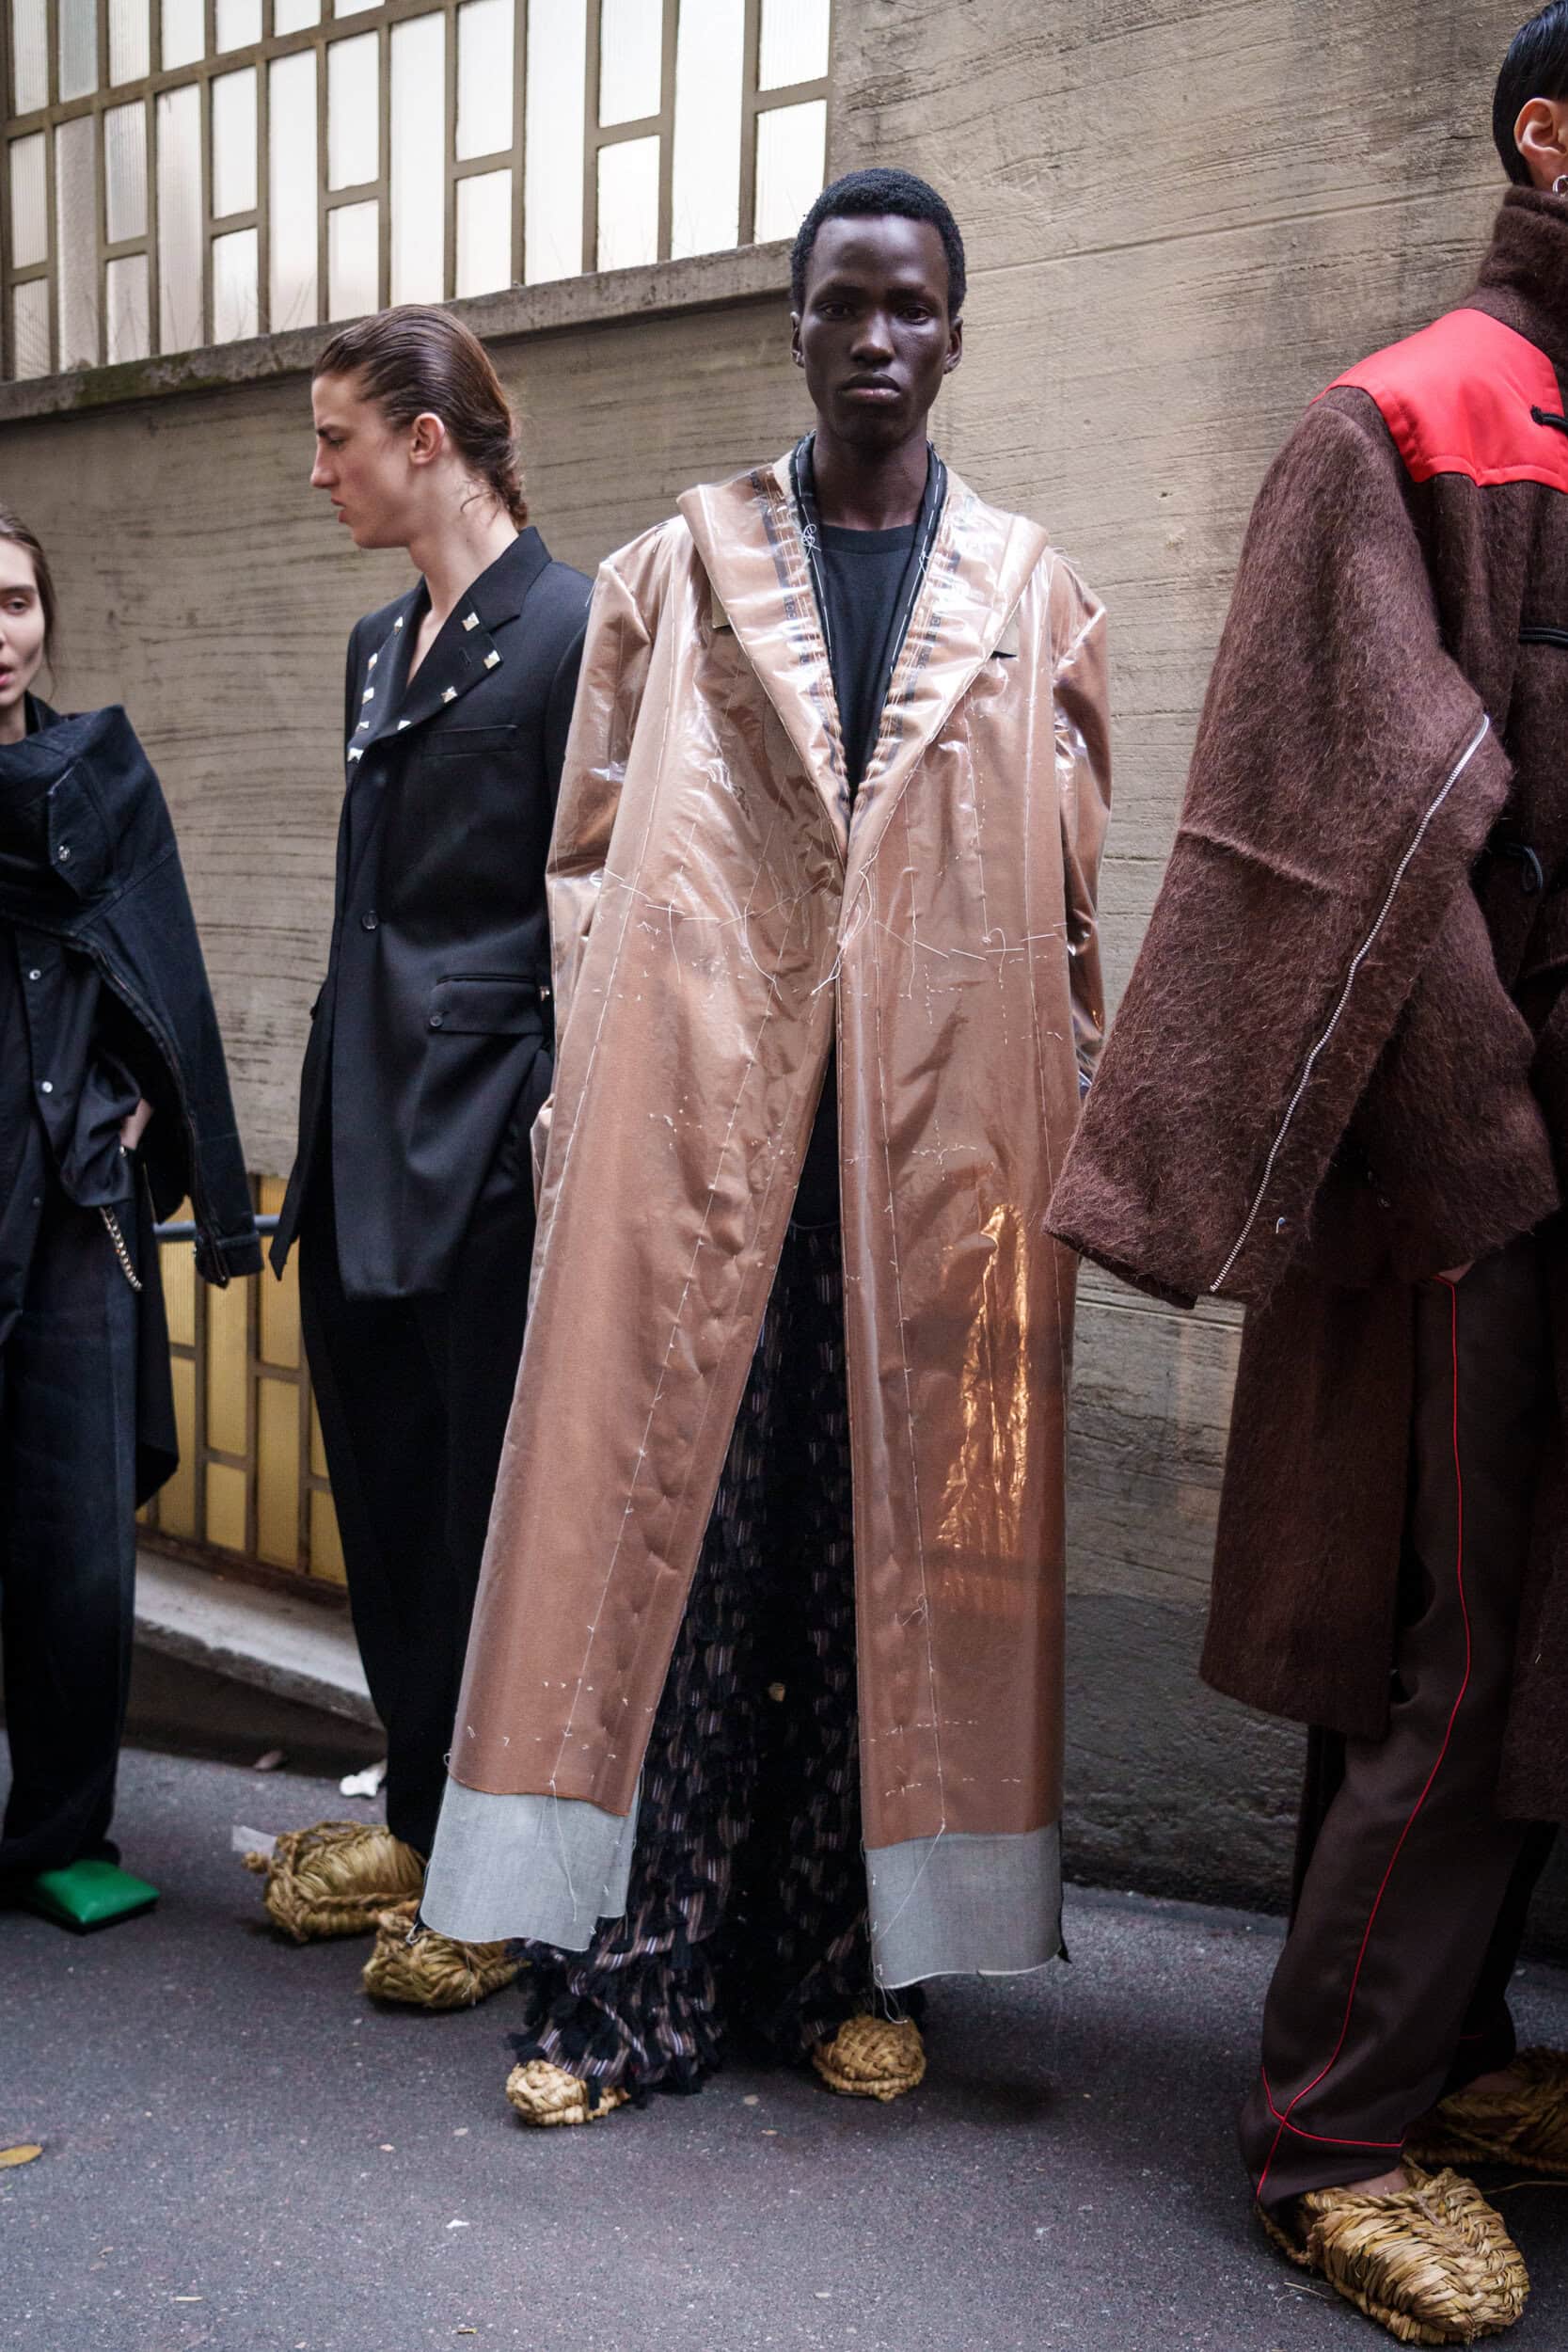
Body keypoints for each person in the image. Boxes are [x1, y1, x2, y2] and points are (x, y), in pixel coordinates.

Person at [417, 167, 1111, 2124]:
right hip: (703, 1148)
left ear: (955, 332)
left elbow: (1065, 916)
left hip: (930, 1167)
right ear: (794, 326)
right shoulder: (675, 572)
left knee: (878, 1557)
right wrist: (594, 1105)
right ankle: (622, 1989)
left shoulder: (1033, 596)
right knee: (675, 1553)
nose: (875, 340)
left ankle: (837, 1967)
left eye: (910, 308)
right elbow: (584, 874)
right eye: (840, 306)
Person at [1048, 9, 1568, 2341]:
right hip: (1499, 1165)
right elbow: (1338, 810)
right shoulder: (1415, 411)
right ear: (1549, 129)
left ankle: (1448, 2048)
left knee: (1536, 1642)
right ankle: (1332, 2129)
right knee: (1451, 1649)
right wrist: (1497, 1149)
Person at [264, 308, 592, 2004]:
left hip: (487, 1144)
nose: (318, 471)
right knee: (382, 1494)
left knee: (481, 1514)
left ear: (430, 439)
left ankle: (490, 1873)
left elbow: (587, 913)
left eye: (338, 438)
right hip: (360, 1124)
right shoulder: (376, 647)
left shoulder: (573, 630)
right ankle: (410, 1808)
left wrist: (545, 1118)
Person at [0, 508, 260, 1915]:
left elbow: (165, 958)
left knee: (75, 1536)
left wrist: (142, 1105)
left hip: (71, 1200)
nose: (1, 633)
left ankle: (58, 1837)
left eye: (19, 602)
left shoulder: (102, 772)